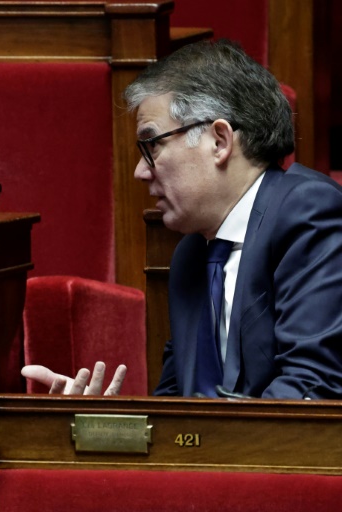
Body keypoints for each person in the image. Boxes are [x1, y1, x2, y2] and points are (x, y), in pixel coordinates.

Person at [23, 39, 342, 399]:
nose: (140, 171)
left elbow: (312, 390)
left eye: (152, 145)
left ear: (219, 141)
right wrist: (109, 424)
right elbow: (177, 409)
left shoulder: (307, 211)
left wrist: (210, 452)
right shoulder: (192, 255)